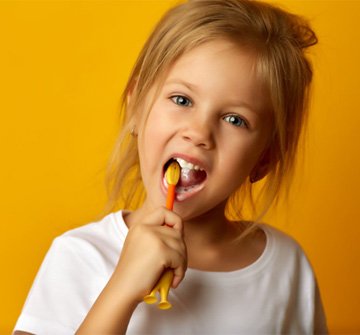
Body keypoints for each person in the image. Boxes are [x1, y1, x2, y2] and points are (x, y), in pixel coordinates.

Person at [14, 0, 328, 334]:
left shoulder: (285, 267)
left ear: (265, 157)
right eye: (182, 100)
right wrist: (121, 290)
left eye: (234, 119)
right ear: (137, 107)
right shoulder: (80, 256)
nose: (199, 133)